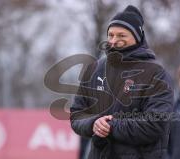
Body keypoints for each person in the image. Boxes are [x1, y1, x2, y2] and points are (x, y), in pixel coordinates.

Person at [70, 5, 174, 159]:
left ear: (137, 37)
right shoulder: (94, 69)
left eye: (121, 35)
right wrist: (93, 123)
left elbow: (156, 123)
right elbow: (77, 114)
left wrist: (110, 127)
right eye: (110, 35)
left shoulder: (156, 74)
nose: (114, 40)